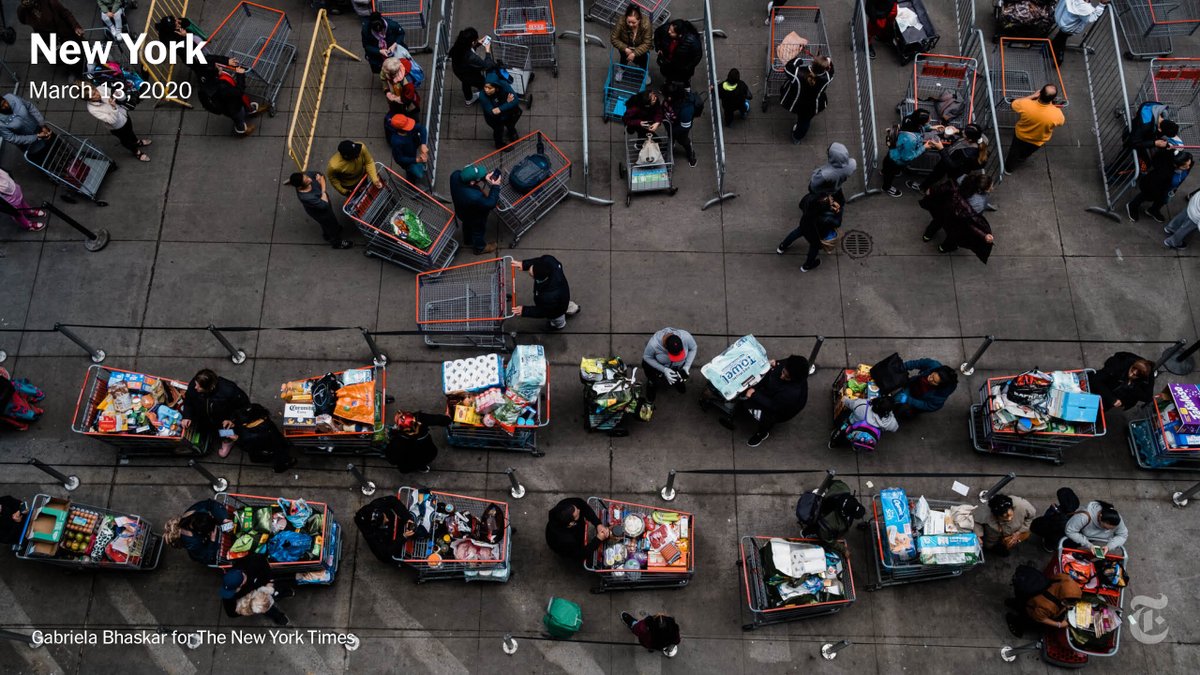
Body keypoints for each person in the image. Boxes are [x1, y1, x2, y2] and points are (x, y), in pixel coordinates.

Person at [734, 355, 809, 447]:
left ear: (794, 379)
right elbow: (781, 363)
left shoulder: (790, 393)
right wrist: (776, 362)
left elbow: (773, 406)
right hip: (778, 396)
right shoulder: (792, 365)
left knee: (766, 417)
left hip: (781, 410)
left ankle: (762, 434)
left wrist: (754, 394)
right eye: (783, 372)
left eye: (786, 376)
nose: (782, 376)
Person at [919, 179, 994, 261]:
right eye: (990, 186)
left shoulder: (961, 182)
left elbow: (943, 188)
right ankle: (943, 248)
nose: (992, 188)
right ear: (983, 190)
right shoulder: (979, 203)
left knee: (936, 223)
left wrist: (931, 191)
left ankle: (927, 235)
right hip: (957, 222)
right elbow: (972, 222)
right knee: (953, 236)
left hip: (944, 212)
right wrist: (984, 235)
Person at [181, 369, 250, 458]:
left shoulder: (229, 390)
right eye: (195, 384)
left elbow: (243, 406)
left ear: (209, 387)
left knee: (225, 431)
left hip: (223, 421)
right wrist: (187, 415)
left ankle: (227, 441)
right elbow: (188, 400)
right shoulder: (195, 383)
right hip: (203, 417)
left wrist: (231, 419)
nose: (195, 387)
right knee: (206, 428)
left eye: (199, 387)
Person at [908, 124, 988, 193]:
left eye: (964, 133)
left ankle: (925, 189)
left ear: (969, 139)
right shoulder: (981, 137)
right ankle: (928, 187)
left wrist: (941, 149)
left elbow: (951, 165)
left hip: (953, 166)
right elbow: (965, 132)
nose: (962, 131)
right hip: (956, 162)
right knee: (939, 176)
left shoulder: (967, 153)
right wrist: (957, 131)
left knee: (938, 175)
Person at [221, 552, 295, 626]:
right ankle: (277, 616)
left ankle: (283, 592)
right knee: (264, 607)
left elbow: (263, 563)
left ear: (243, 581)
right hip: (255, 598)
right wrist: (250, 607)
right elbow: (231, 612)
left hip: (262, 584)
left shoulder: (252, 562)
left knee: (276, 590)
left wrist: (269, 580)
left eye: (235, 589)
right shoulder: (229, 587)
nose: (234, 592)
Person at [776, 191, 841, 273]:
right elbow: (837, 223)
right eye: (830, 199)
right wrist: (838, 212)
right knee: (814, 247)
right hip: (815, 233)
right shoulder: (827, 216)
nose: (831, 199)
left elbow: (801, 204)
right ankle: (807, 265)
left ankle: (782, 247)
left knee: (795, 233)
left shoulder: (811, 198)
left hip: (804, 223)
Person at [285, 171, 353, 249]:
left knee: (327, 225)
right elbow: (324, 205)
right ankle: (336, 242)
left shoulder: (305, 177)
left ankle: (327, 234)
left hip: (322, 206)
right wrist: (323, 188)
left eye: (306, 177)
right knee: (330, 225)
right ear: (300, 187)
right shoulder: (307, 197)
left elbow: (320, 175)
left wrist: (322, 191)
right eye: (306, 181)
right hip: (321, 213)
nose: (310, 179)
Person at [85, 84, 151, 162]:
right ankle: (136, 152)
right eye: (93, 94)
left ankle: (137, 142)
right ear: (88, 99)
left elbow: (118, 95)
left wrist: (118, 93)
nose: (97, 93)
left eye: (95, 91)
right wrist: (113, 108)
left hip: (124, 115)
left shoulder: (100, 89)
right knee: (125, 140)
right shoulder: (92, 109)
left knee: (130, 131)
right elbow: (111, 120)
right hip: (117, 127)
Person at [194, 58, 259, 137]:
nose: (219, 66)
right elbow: (239, 92)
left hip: (225, 108)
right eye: (217, 67)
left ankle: (247, 113)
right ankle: (242, 129)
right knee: (239, 116)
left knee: (236, 114)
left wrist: (218, 111)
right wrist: (240, 75)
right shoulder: (222, 88)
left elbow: (206, 104)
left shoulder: (203, 86)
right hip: (235, 107)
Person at [1006, 86, 1065, 171]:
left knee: (1014, 152)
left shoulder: (1026, 104)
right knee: (1027, 152)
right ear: (1053, 99)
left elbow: (1014, 104)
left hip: (1021, 136)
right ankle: (1022, 158)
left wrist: (1032, 96)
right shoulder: (1057, 114)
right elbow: (1061, 123)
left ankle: (1008, 169)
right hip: (1038, 140)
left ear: (1040, 93)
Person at [513, 256, 580, 330]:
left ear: (539, 278)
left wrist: (524, 311)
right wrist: (524, 264)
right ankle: (573, 308)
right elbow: (539, 260)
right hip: (562, 296)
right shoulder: (550, 262)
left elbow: (543, 311)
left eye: (532, 275)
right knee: (564, 304)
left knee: (557, 317)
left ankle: (559, 325)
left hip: (555, 310)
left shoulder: (549, 296)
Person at [449, 163, 502, 255]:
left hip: (461, 211)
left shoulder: (455, 175)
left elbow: (467, 176)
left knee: (467, 225)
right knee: (478, 231)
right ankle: (480, 248)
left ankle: (468, 240)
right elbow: (490, 203)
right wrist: (496, 186)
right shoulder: (474, 196)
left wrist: (484, 177)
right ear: (472, 183)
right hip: (475, 216)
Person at [881, 110, 937, 197]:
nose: (930, 120)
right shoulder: (911, 139)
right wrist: (924, 147)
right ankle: (886, 187)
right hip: (897, 159)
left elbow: (921, 127)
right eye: (928, 120)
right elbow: (907, 157)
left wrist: (932, 128)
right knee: (890, 172)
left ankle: (884, 171)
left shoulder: (910, 117)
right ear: (921, 122)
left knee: (888, 163)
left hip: (894, 150)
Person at [1127, 150, 1192, 223]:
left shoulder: (1186, 161)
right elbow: (1151, 186)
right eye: (1184, 166)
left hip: (1169, 189)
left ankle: (1153, 210)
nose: (1188, 167)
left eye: (1189, 164)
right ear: (1176, 165)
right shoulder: (1163, 173)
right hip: (1154, 188)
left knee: (1163, 200)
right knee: (1144, 196)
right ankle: (1132, 206)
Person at [780, 55, 833, 144]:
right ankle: (797, 138)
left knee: (785, 88)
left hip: (796, 102)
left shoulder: (799, 73)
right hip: (811, 106)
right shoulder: (827, 77)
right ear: (827, 68)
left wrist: (798, 60)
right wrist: (828, 60)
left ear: (812, 63)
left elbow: (788, 68)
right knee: (804, 122)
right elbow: (831, 68)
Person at [163, 499, 232, 565]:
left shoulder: (195, 511)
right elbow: (206, 557)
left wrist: (223, 518)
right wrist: (212, 541)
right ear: (200, 533)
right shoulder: (193, 544)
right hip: (201, 551)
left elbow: (210, 504)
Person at [231, 403, 296, 473]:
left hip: (265, 447)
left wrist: (237, 439)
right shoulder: (259, 415)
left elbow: (247, 447)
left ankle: (281, 466)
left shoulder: (253, 436)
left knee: (275, 454)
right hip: (273, 440)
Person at [354, 495, 415, 565]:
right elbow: (385, 553)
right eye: (384, 521)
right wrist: (403, 537)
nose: (387, 519)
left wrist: (406, 518)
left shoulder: (377, 505)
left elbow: (393, 501)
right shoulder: (372, 535)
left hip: (394, 526)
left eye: (384, 516)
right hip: (388, 541)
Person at [382, 410, 451, 472]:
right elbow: (437, 419)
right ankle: (422, 467)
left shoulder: (399, 440)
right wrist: (447, 419)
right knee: (423, 460)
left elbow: (392, 458)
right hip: (429, 451)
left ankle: (418, 467)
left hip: (411, 458)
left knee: (407, 465)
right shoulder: (420, 418)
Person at [642, 328, 698, 403]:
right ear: (665, 347)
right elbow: (647, 357)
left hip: (678, 367)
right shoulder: (654, 344)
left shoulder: (686, 336)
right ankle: (651, 383)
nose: (677, 359)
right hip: (660, 366)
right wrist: (664, 369)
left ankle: (677, 380)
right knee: (648, 369)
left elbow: (693, 348)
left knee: (679, 378)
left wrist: (687, 366)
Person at [1089, 352, 1154, 410]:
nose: (1132, 374)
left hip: (1111, 399)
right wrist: (1112, 399)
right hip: (1098, 387)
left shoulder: (1147, 378)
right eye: (1132, 369)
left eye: (1136, 374)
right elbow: (1096, 380)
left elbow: (1148, 397)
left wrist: (1132, 387)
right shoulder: (1119, 365)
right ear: (1132, 365)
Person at [893, 359, 958, 417]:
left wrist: (909, 400)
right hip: (912, 386)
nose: (929, 379)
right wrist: (903, 367)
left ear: (940, 386)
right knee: (895, 398)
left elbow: (926, 405)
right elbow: (917, 363)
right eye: (932, 375)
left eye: (934, 381)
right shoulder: (933, 365)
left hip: (918, 400)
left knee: (904, 413)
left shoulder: (939, 397)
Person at [832, 395, 899, 448]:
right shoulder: (890, 422)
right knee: (859, 440)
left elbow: (847, 402)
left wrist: (845, 398)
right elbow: (895, 428)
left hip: (850, 429)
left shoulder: (862, 405)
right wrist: (890, 413)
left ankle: (833, 442)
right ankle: (857, 445)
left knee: (840, 430)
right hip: (865, 438)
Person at [0, 93, 53, 159]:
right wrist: (37, 137)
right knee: (49, 161)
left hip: (42, 130)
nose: (6, 105)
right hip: (32, 145)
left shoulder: (12, 97)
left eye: (4, 101)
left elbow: (30, 107)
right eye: (2, 106)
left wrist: (42, 125)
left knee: (59, 147)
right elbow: (12, 138)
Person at [653, 19, 702, 89]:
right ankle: (668, 83)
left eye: (672, 32)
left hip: (682, 66)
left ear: (679, 35)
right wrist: (658, 48)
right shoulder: (665, 29)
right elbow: (657, 34)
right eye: (670, 28)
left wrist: (688, 67)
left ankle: (686, 86)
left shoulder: (692, 41)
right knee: (668, 74)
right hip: (667, 61)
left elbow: (697, 56)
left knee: (683, 77)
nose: (669, 31)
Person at [480, 70, 522, 149]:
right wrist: (507, 102)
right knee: (498, 130)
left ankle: (511, 131)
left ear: (496, 87)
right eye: (485, 87)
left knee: (513, 118)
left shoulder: (503, 84)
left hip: (506, 114)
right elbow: (493, 112)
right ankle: (499, 145)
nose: (486, 90)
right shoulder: (483, 96)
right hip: (494, 119)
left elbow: (515, 100)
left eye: (489, 88)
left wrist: (500, 108)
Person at [384, 114, 430, 186]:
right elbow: (399, 159)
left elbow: (422, 128)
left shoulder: (407, 128)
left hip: (412, 149)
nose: (411, 126)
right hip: (407, 161)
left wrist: (423, 144)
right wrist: (416, 160)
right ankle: (411, 183)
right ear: (403, 129)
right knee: (411, 172)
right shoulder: (396, 141)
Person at [448, 28, 490, 106]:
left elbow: (467, 48)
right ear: (472, 42)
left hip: (459, 71)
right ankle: (487, 99)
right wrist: (487, 51)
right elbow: (486, 65)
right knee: (483, 83)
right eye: (476, 40)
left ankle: (469, 99)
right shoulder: (471, 57)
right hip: (470, 74)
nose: (478, 40)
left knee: (466, 83)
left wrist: (478, 43)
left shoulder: (459, 45)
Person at [1031, 487, 1080, 552]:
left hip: (1057, 536)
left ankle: (1049, 546)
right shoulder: (1075, 508)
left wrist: (1052, 510)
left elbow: (1046, 523)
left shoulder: (1060, 519)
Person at [809, 142, 856, 206]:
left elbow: (813, 185)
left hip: (822, 191)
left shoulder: (826, 174)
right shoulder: (852, 164)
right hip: (836, 188)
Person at [663, 82, 698, 167]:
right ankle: (672, 142)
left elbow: (685, 126)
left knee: (684, 141)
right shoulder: (672, 98)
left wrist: (673, 131)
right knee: (670, 137)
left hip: (680, 129)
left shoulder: (686, 109)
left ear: (670, 97)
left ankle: (690, 154)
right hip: (670, 123)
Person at [17, 0, 83, 45]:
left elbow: (66, 13)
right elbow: (23, 20)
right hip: (47, 36)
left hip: (63, 32)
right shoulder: (23, 11)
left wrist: (76, 27)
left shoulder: (50, 2)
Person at [611, 5, 654, 71]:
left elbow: (647, 43)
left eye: (634, 22)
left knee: (643, 60)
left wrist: (634, 53)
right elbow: (614, 38)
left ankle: (644, 71)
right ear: (626, 18)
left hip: (640, 47)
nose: (630, 25)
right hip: (626, 46)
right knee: (623, 58)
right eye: (629, 22)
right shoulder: (621, 21)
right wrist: (625, 48)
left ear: (639, 20)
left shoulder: (646, 24)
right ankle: (621, 69)